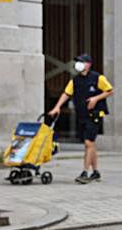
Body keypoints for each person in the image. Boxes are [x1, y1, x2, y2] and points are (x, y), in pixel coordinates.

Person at [48, 54, 113, 183]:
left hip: (94, 115)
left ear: (88, 64)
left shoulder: (97, 78)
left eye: (81, 62)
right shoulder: (75, 80)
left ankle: (85, 172)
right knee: (91, 144)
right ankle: (95, 172)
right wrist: (57, 107)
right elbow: (66, 94)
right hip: (82, 115)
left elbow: (110, 90)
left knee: (88, 143)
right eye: (77, 62)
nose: (78, 64)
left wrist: (95, 98)